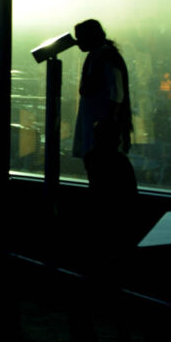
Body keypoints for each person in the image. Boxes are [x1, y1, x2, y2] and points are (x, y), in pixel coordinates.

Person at [72, 19, 136, 222]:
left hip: (101, 132)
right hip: (98, 128)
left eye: (80, 38)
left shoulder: (106, 59)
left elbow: (116, 95)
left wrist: (106, 125)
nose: (77, 42)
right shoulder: (100, 56)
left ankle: (103, 219)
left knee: (102, 178)